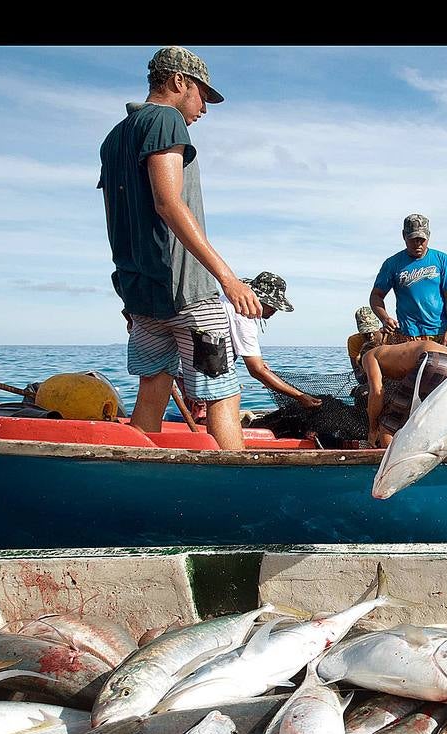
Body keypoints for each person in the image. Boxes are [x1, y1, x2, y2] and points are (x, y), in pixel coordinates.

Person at [98, 46, 261, 451]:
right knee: (223, 390)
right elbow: (167, 202)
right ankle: (235, 486)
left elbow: (118, 218)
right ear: (178, 82)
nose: (204, 108)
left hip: (142, 293)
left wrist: (126, 292)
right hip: (188, 291)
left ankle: (139, 475)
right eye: (202, 94)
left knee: (154, 383)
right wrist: (227, 278)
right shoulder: (166, 120)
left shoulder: (114, 138)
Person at [369, 214, 447, 361]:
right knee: (411, 380)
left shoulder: (442, 260)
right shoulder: (392, 264)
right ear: (403, 236)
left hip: (441, 332)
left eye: (422, 239)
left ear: (429, 236)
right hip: (408, 336)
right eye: (413, 239)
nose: (418, 244)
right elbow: (376, 296)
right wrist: (385, 318)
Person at [223, 271, 322, 410]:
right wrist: (299, 396)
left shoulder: (231, 302)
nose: (275, 310)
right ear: (258, 298)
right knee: (228, 399)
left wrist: (259, 363)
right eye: (272, 305)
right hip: (202, 366)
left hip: (193, 363)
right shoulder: (243, 314)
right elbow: (256, 370)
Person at [360, 340, 447, 448]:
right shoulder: (395, 351)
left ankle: (393, 463)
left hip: (431, 360)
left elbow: (376, 393)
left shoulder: (368, 356)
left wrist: (373, 429)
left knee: (388, 424)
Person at [349, 306, 385, 384]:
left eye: (373, 331)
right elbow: (357, 370)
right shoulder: (354, 341)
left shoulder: (389, 336)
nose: (371, 335)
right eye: (366, 333)